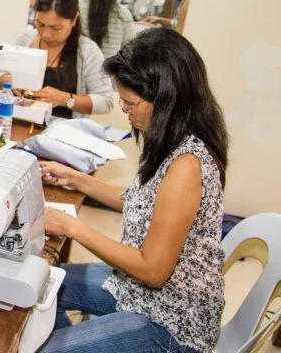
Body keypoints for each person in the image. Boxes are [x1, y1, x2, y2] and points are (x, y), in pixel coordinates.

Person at [38, 28, 228, 353]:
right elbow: (138, 203)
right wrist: (75, 178)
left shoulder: (186, 165)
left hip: (171, 321)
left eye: (129, 102)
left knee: (47, 346)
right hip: (141, 291)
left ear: (165, 98)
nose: (124, 110)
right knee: (44, 283)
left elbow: (153, 270)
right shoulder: (168, 140)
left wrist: (73, 228)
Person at [1, 0, 113, 119]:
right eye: (41, 24)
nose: (46, 34)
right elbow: (2, 75)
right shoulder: (25, 40)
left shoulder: (87, 52)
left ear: (74, 20)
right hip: (22, 125)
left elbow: (106, 102)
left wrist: (65, 99)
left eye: (56, 28)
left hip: (64, 133)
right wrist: (7, 81)